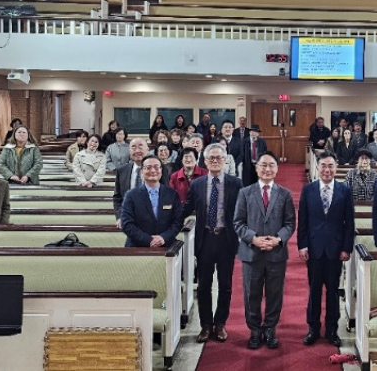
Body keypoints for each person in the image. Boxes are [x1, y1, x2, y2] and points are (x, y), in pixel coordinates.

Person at [233, 151, 296, 350]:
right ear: (256, 168)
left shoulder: (285, 194)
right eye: (263, 165)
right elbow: (238, 222)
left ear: (276, 169)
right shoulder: (245, 193)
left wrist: (278, 239)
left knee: (274, 293)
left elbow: (290, 223)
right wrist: (254, 239)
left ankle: (270, 329)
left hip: (276, 253)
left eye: (271, 165)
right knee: (251, 294)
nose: (267, 169)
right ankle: (254, 330)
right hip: (251, 253)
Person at [182, 143, 244, 343]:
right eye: (211, 158)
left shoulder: (236, 183)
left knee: (225, 285)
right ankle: (206, 325)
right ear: (205, 161)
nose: (215, 161)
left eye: (219, 158)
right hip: (205, 239)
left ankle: (220, 324)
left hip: (226, 239)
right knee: (203, 286)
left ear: (225, 160)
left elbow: (244, 211)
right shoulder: (197, 184)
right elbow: (185, 209)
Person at [298, 152, 355, 347]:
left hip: (335, 249)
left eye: (331, 166)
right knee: (314, 290)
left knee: (332, 291)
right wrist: (302, 245)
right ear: (318, 167)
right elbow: (303, 221)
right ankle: (313, 328)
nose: (327, 170)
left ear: (336, 168)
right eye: (323, 166)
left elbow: (349, 223)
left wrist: (346, 248)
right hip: (314, 249)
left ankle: (332, 329)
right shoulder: (308, 190)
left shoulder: (344, 191)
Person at [120, 154, 184, 248]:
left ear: (161, 170)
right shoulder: (131, 195)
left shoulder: (172, 194)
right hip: (137, 246)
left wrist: (163, 238)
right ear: (142, 171)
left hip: (166, 245)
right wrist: (149, 240)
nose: (153, 171)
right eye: (148, 167)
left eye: (156, 167)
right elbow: (126, 224)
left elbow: (178, 221)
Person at [114, 138, 164, 228]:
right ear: (129, 151)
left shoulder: (159, 169)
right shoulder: (122, 170)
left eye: (140, 147)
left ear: (148, 149)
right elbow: (118, 198)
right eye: (133, 147)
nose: (137, 151)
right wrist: (120, 217)